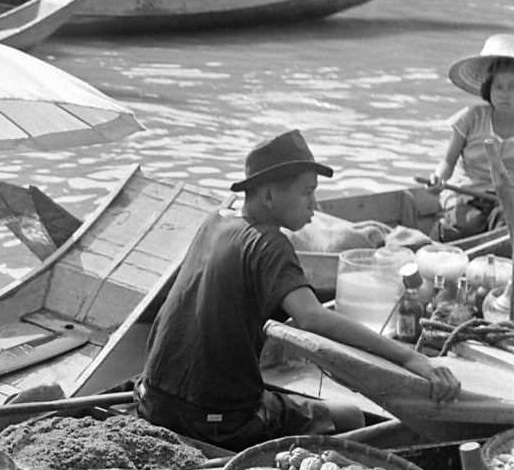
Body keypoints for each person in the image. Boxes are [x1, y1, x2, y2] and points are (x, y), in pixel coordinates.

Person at [135, 130, 461, 450]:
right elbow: (311, 318)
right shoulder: (269, 243)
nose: (314, 205)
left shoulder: (217, 220)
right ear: (268, 196)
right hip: (216, 418)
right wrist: (410, 357)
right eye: (307, 192)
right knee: (350, 416)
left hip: (152, 398)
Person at [427, 33, 514, 237]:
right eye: (498, 86)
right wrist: (438, 178)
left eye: (513, 87)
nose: (505, 94)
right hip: (467, 196)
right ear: (488, 88)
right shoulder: (471, 118)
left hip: (507, 201)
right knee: (462, 227)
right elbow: (448, 162)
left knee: (504, 227)